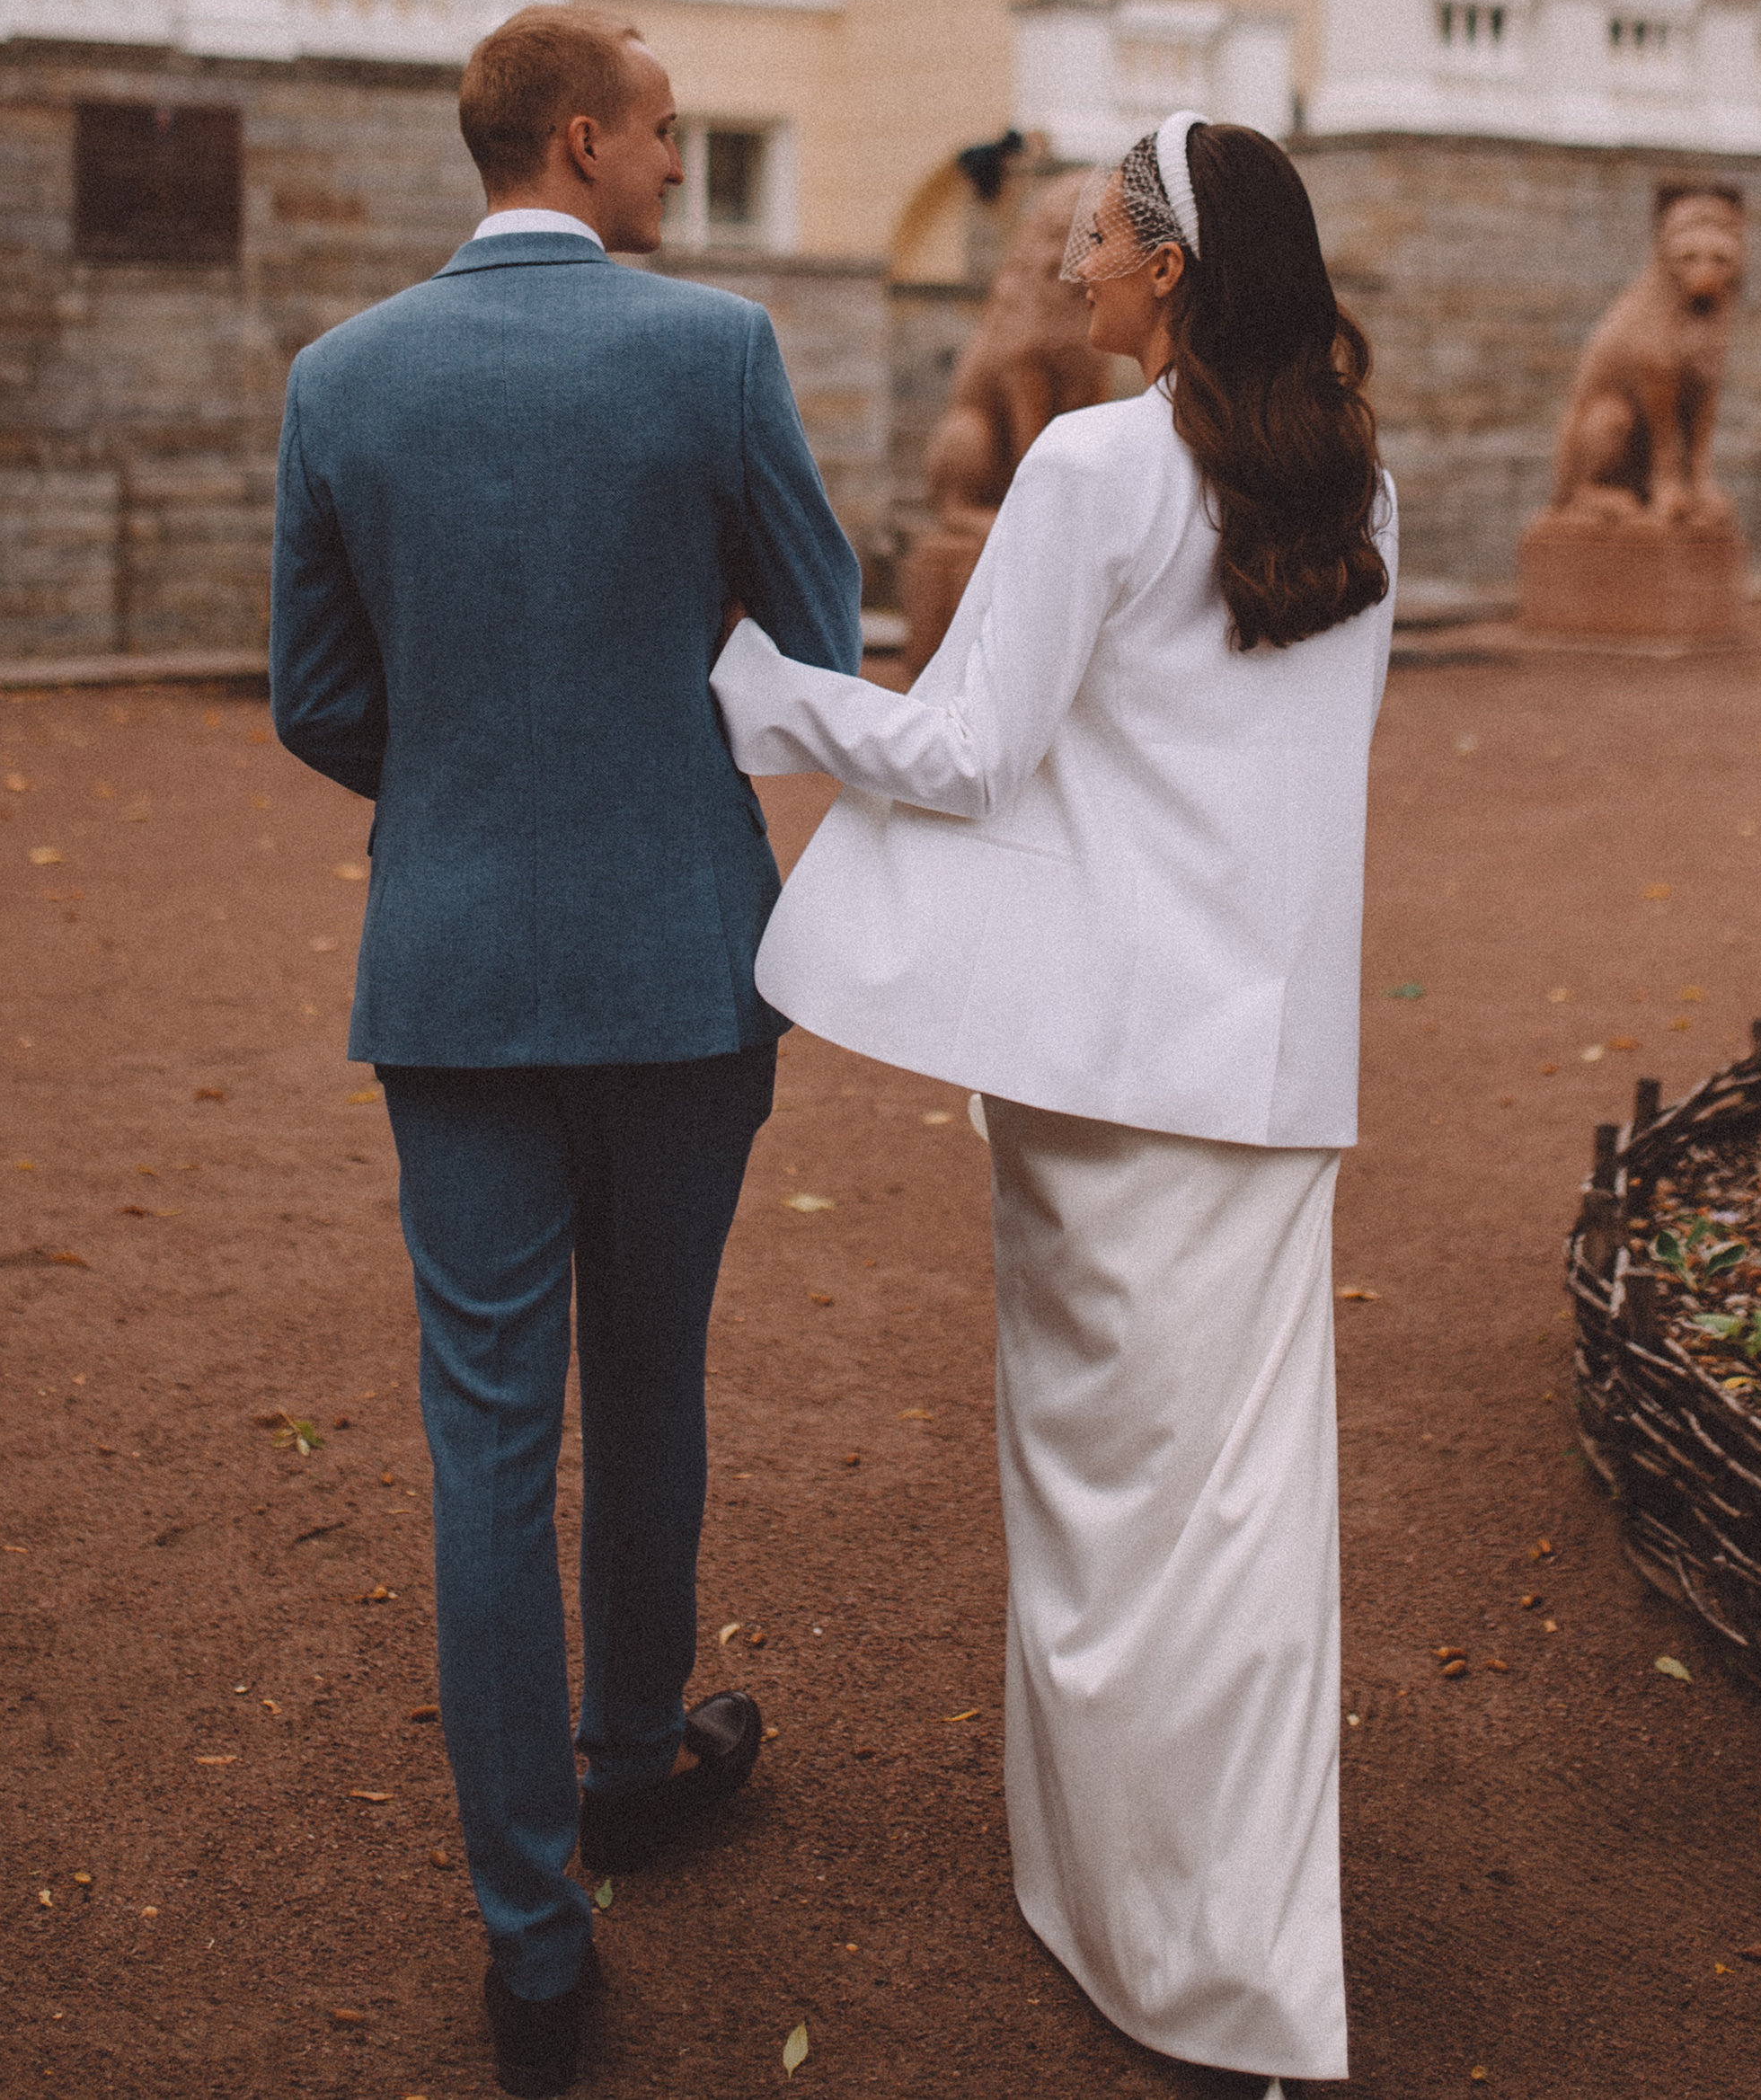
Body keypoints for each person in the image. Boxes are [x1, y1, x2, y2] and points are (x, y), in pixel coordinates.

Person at [711, 115, 1395, 2097]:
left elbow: (966, 752)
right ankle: (1240, 1951)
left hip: (1106, 1067)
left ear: (1167, 265)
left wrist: (753, 682)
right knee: (1243, 1511)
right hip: (1272, 1065)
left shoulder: (1094, 464)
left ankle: (1154, 1929)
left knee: (1103, 1500)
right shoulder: (1353, 476)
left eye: (1091, 233)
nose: (1068, 264)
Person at [270, 4, 860, 2100]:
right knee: (651, 1372)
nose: (680, 163)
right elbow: (817, 641)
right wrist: (645, 762)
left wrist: (466, 794)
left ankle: (532, 1943)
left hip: (448, 969)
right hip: (680, 957)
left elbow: (312, 697)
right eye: (668, 132)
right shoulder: (714, 352)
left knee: (485, 1441)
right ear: (583, 140)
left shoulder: (339, 377)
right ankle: (625, 1756)